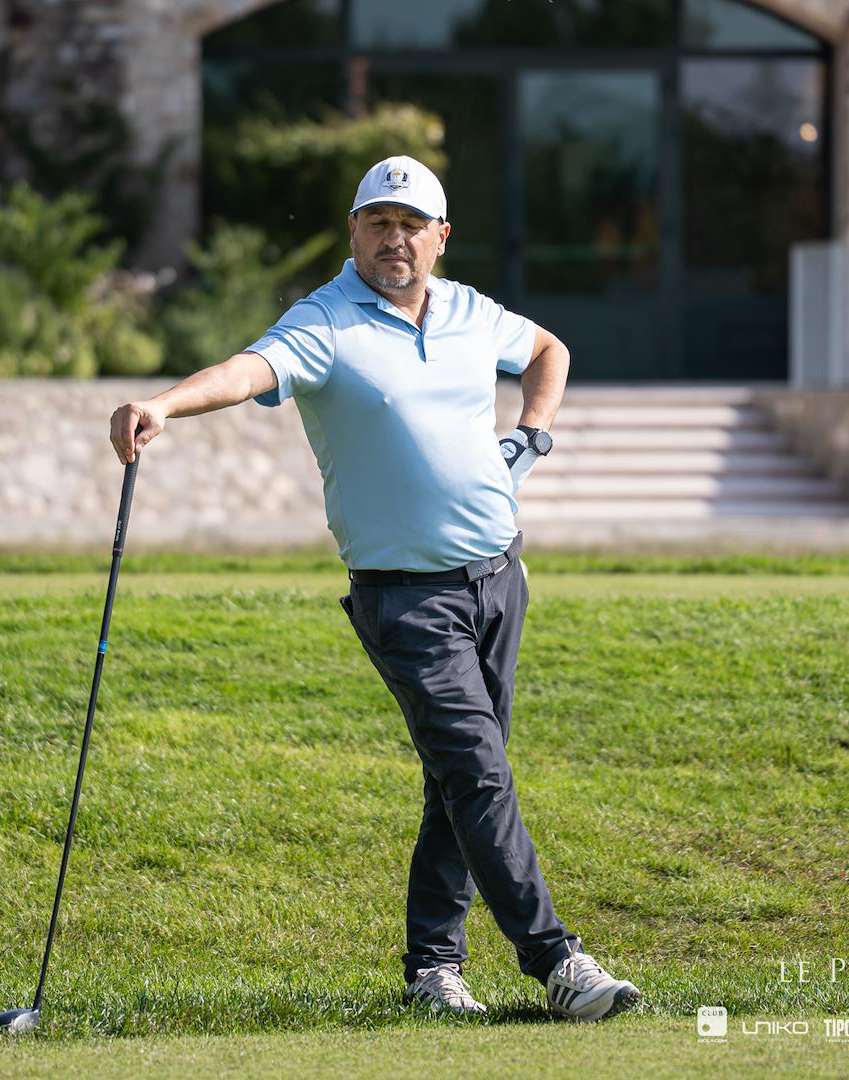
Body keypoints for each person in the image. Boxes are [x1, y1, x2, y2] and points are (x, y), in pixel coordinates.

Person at [109, 156, 640, 1023]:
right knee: (478, 775)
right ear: (353, 231)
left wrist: (531, 438)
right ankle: (557, 963)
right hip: (406, 600)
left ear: (440, 237)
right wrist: (165, 404)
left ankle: (433, 967)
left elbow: (550, 350)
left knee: (459, 780)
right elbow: (248, 369)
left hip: (498, 579)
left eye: (411, 224)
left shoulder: (469, 311)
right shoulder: (324, 321)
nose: (395, 238)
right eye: (379, 222)